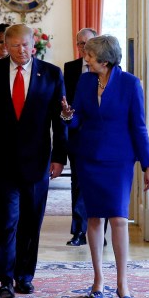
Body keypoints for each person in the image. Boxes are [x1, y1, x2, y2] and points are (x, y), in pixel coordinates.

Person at [0, 23, 68, 298]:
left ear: (33, 44)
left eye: (25, 45)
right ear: (5, 47)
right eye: (15, 46)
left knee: (31, 221)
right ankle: (5, 281)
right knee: (8, 220)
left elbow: (59, 119)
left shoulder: (51, 74)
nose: (21, 51)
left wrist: (60, 157)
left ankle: (25, 274)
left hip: (37, 162)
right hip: (1, 162)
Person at [60, 35, 149, 298]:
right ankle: (98, 281)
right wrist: (68, 115)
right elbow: (77, 119)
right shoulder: (86, 81)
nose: (85, 59)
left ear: (104, 60)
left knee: (118, 218)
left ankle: (123, 283)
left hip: (119, 161)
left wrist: (148, 165)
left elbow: (139, 127)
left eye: (89, 56)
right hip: (88, 158)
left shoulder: (130, 84)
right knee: (93, 218)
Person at [62, 27, 98, 247]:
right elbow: (66, 101)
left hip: (99, 137)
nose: (84, 47)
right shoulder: (70, 68)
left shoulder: (106, 69)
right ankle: (78, 231)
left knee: (96, 184)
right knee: (78, 183)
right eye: (80, 43)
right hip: (76, 134)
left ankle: (97, 230)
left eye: (88, 43)